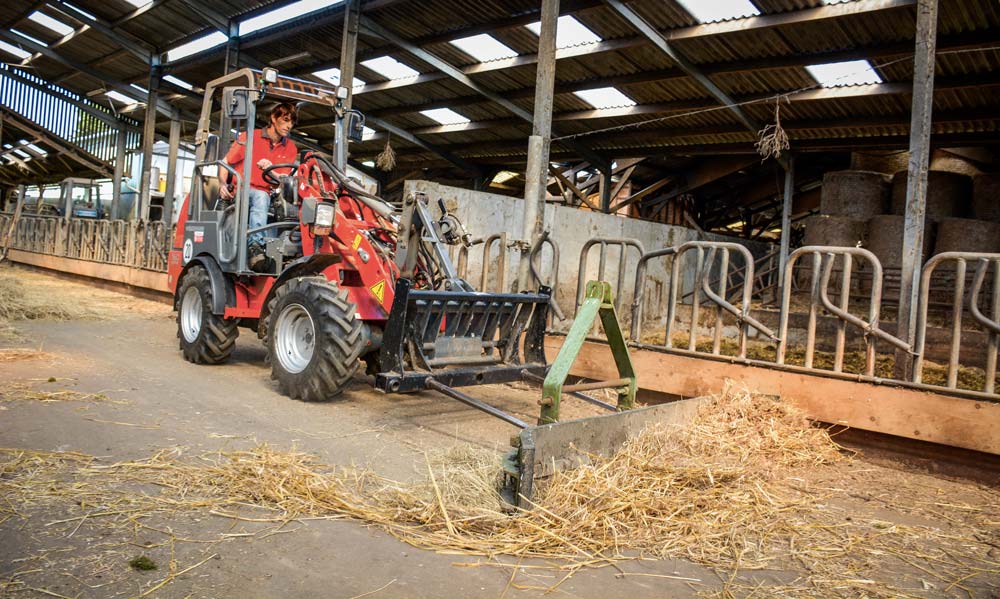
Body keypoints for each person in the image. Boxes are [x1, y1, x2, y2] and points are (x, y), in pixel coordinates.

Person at [220, 102, 298, 271]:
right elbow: (226, 162)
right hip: (243, 192)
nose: (288, 126)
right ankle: (255, 246)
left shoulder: (290, 148)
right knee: (260, 196)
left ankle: (291, 256)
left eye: (291, 122)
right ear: (273, 118)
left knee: (295, 207)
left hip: (270, 193)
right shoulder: (250, 137)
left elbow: (283, 179)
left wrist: (270, 169)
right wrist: (221, 184)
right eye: (285, 120)